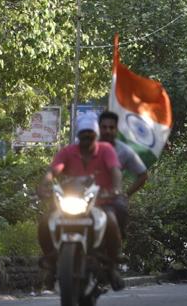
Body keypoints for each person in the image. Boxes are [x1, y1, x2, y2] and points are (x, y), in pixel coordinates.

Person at [37, 113, 124, 290]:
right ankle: (51, 264)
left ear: (96, 136)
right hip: (71, 202)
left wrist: (115, 188)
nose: (87, 141)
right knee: (46, 221)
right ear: (78, 137)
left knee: (112, 221)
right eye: (83, 137)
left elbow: (115, 170)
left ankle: (112, 267)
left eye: (90, 137)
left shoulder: (106, 150)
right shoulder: (67, 152)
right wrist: (44, 184)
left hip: (100, 201)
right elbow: (53, 170)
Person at [99, 111, 148, 235]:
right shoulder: (85, 146)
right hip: (84, 196)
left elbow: (143, 175)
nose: (107, 131)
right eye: (104, 127)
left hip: (111, 196)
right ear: (98, 128)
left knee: (120, 208)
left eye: (111, 127)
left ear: (116, 130)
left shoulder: (125, 151)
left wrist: (126, 194)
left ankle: (117, 245)